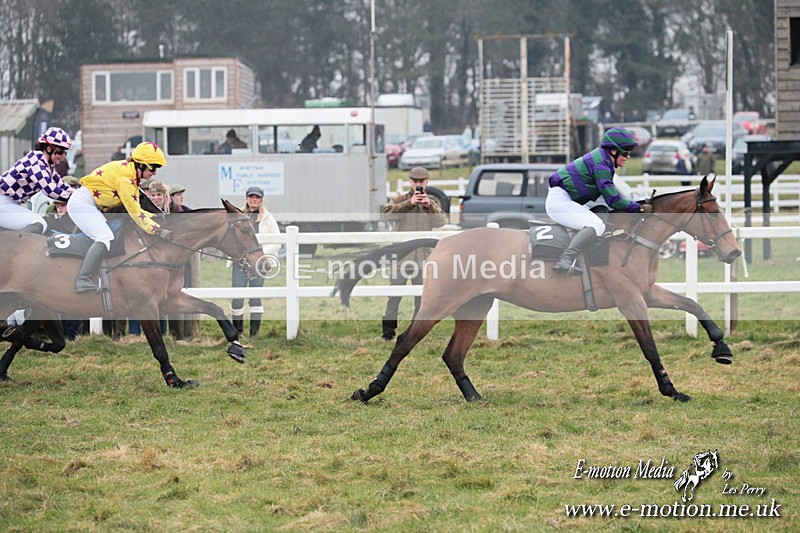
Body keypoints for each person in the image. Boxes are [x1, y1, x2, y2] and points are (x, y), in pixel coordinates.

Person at [67, 141, 171, 293]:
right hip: (82, 204)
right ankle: (83, 279)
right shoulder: (126, 180)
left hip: (89, 204)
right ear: (141, 165)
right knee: (105, 237)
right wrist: (156, 230)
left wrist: (156, 218)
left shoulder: (131, 175)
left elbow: (138, 209)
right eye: (153, 167)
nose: (155, 173)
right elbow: (134, 212)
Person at [546, 127, 651, 276]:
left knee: (601, 213)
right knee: (597, 225)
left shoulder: (603, 160)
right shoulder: (601, 165)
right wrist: (638, 208)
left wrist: (635, 204)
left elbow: (611, 196)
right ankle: (565, 259)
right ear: (613, 151)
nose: (628, 157)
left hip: (565, 199)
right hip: (560, 203)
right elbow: (613, 199)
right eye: (625, 152)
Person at [380, 167, 448, 341]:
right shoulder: (400, 199)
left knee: (422, 297)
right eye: (415, 181)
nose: (418, 185)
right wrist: (409, 203)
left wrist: (428, 206)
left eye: (422, 182)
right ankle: (388, 333)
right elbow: (387, 215)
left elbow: (442, 222)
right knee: (394, 296)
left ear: (427, 182)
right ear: (410, 182)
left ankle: (414, 332)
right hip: (401, 259)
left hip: (424, 258)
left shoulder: (431, 202)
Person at [0, 127, 74, 234]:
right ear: (49, 149)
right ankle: (17, 250)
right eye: (61, 151)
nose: (63, 156)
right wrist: (73, 199)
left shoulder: (47, 165)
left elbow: (61, 185)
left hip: (8, 203)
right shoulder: (36, 160)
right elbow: (50, 189)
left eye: (65, 152)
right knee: (38, 223)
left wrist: (81, 195)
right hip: (3, 202)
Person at [230, 186, 280, 339]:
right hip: (241, 263)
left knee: (255, 296)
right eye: (251, 197)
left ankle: (254, 333)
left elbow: (277, 242)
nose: (254, 200)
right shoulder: (238, 216)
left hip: (259, 263)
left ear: (261, 200)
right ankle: (237, 332)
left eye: (257, 197)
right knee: (237, 297)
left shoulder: (267, 218)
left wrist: (260, 255)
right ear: (247, 198)